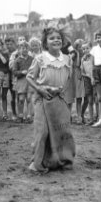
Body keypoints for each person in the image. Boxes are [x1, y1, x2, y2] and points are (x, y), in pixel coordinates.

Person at [26, 27, 75, 172]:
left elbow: (68, 80)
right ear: (45, 43)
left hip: (59, 99)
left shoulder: (67, 59)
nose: (56, 40)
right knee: (43, 132)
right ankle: (36, 163)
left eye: (58, 38)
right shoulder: (40, 58)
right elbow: (29, 77)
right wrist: (40, 89)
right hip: (42, 98)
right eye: (52, 38)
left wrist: (64, 96)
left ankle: (60, 160)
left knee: (61, 131)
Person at [12, 41, 34, 123]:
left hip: (30, 81)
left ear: (28, 49)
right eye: (22, 48)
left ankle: (29, 116)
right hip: (21, 81)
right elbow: (14, 72)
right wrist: (21, 72)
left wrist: (31, 72)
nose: (24, 50)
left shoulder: (32, 59)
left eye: (26, 48)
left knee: (29, 98)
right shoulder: (17, 60)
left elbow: (35, 69)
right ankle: (20, 115)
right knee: (21, 99)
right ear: (19, 50)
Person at [80, 41, 95, 125]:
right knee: (89, 99)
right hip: (87, 80)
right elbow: (82, 72)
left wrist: (93, 77)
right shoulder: (82, 59)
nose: (85, 50)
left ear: (90, 48)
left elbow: (94, 68)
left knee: (96, 98)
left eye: (87, 48)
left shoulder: (93, 57)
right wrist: (89, 76)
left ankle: (97, 117)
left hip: (95, 79)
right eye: (84, 49)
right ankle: (90, 118)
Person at [4, 37, 18, 120]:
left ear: (14, 44)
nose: (9, 46)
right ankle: (14, 113)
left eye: (11, 44)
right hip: (8, 77)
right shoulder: (5, 54)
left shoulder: (18, 53)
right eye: (7, 44)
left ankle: (22, 113)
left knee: (21, 96)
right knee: (12, 96)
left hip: (17, 76)